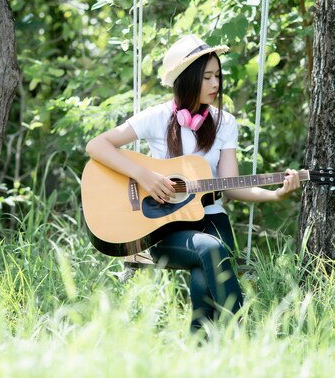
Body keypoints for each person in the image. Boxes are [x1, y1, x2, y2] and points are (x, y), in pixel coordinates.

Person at [85, 34, 300, 332]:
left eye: (218, 76)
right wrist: (143, 175)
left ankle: (203, 350)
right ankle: (245, 336)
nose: (216, 85)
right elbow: (97, 146)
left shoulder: (225, 123)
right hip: (160, 227)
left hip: (212, 220)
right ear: (187, 79)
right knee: (210, 251)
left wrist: (275, 195)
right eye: (207, 77)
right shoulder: (157, 118)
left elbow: (232, 185)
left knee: (204, 271)